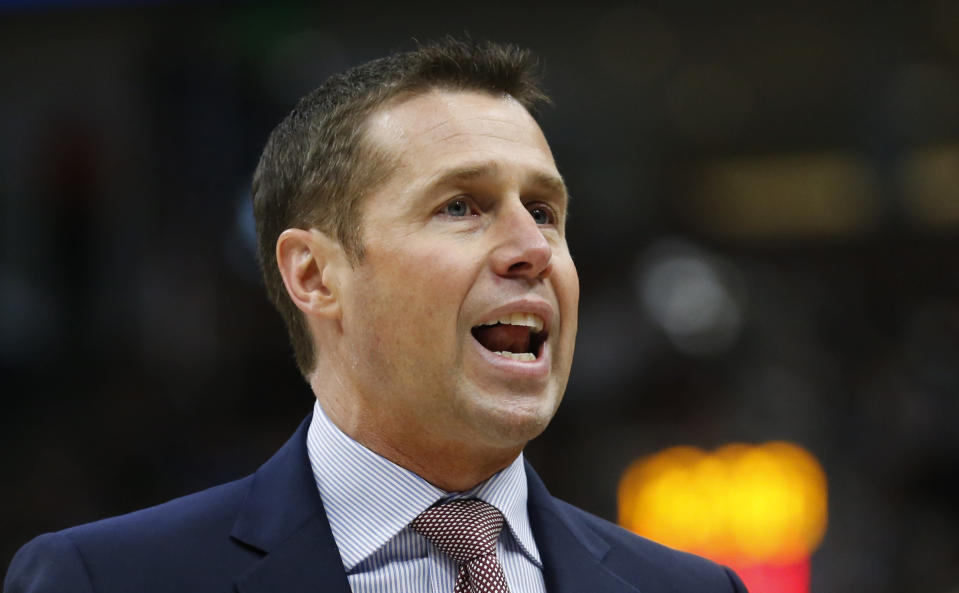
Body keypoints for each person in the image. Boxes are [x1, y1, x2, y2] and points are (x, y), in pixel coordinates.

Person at [4, 39, 747, 593]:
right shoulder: (107, 580)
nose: (532, 248)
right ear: (314, 274)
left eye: (546, 212)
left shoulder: (692, 589)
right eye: (461, 205)